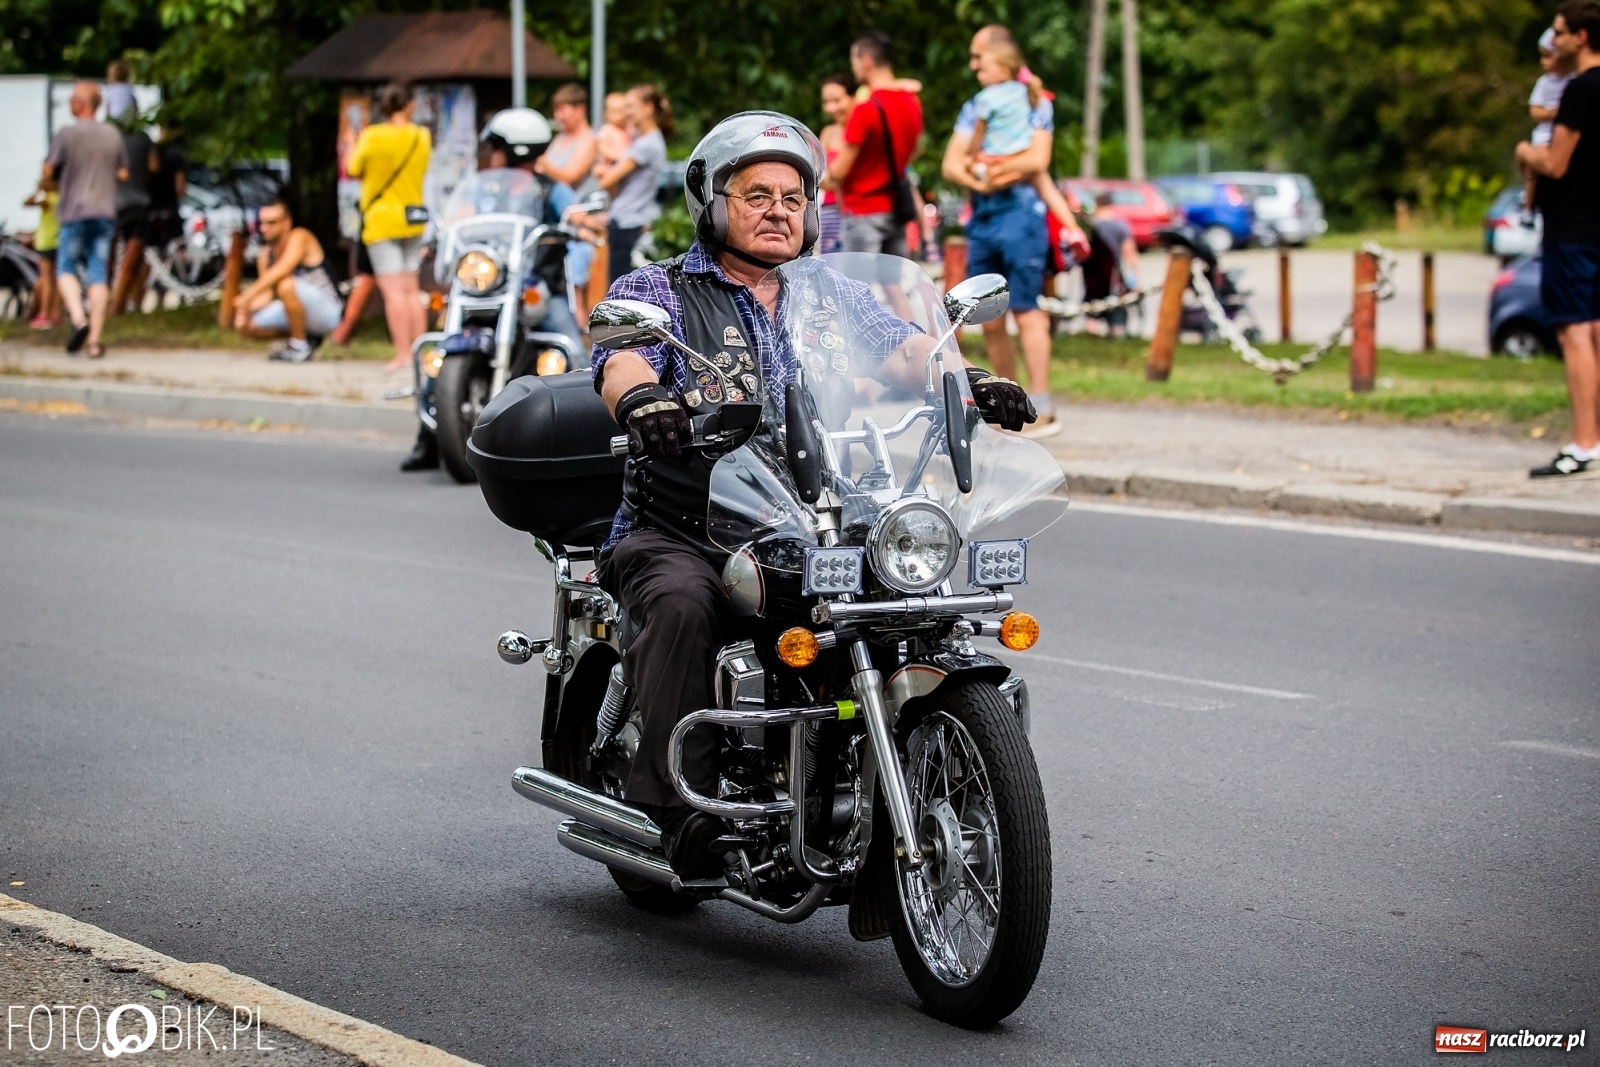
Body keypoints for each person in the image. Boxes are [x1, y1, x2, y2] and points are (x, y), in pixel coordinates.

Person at [591, 110, 1037, 877]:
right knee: (681, 602)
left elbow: (906, 352)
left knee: (908, 600)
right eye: (756, 193)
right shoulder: (657, 286)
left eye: (793, 197)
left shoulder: (828, 294)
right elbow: (623, 358)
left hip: (818, 517)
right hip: (687, 524)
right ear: (712, 202)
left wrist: (969, 383)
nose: (778, 210)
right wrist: (642, 400)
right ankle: (680, 805)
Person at [942, 25, 1082, 438]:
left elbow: (1038, 161)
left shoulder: (1035, 99)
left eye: (978, 57)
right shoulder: (977, 103)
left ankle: (1040, 402)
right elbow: (952, 163)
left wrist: (989, 171)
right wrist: (988, 174)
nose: (973, 66)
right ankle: (1008, 402)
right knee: (988, 313)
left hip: (1021, 215)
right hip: (984, 217)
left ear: (1001, 57)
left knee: (1027, 309)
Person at [1517, 1, 1600, 477]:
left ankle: (1584, 442)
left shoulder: (1580, 92)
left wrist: (1525, 150)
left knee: (1575, 330)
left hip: (1573, 227)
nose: (1555, 42)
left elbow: (1556, 163)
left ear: (1582, 37)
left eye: (1561, 33)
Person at [347, 81, 432, 370]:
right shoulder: (422, 136)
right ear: (409, 104)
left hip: (382, 221)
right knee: (411, 289)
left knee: (393, 293)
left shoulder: (372, 136)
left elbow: (353, 169)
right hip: (412, 219)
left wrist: (350, 143)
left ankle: (403, 354)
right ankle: (420, 352)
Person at [44, 82, 128, 359]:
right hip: (104, 213)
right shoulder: (112, 134)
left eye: (71, 99)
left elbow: (48, 171)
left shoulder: (66, 135)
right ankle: (94, 342)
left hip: (74, 213)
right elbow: (123, 174)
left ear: (80, 105)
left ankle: (79, 319)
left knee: (65, 268)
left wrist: (58, 180)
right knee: (98, 274)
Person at [827, 31, 923, 257]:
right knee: (894, 285)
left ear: (866, 60)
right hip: (895, 209)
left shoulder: (866, 109)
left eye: (854, 61)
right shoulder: (912, 102)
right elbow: (916, 150)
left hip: (863, 211)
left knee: (856, 288)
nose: (854, 69)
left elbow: (840, 170)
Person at [231, 199, 344, 362]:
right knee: (247, 326)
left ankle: (299, 347)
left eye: (271, 223)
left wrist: (248, 295)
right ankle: (303, 339)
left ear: (286, 223)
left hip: (328, 311)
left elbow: (282, 270)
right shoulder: (265, 253)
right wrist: (247, 309)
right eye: (261, 223)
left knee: (285, 284)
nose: (264, 228)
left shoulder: (300, 236)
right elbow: (269, 294)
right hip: (296, 307)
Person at [536, 83, 601, 318]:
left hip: (583, 224)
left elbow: (569, 178)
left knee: (575, 273)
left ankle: (579, 331)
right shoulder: (560, 139)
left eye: (562, 109)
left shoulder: (589, 140)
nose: (557, 116)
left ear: (580, 110)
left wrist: (542, 163)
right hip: (556, 223)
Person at [596, 83, 671, 284]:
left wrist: (603, 170)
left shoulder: (647, 145)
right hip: (625, 221)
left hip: (628, 224)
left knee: (619, 291)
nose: (625, 113)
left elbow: (607, 181)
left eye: (630, 107)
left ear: (648, 108)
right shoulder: (641, 139)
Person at [1524, 27, 1579, 218]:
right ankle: (1528, 208)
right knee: (1535, 169)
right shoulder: (1544, 83)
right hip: (1545, 135)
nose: (1543, 62)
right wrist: (1552, 113)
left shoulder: (1576, 81)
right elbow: (1535, 110)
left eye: (1548, 57)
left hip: (1566, 134)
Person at [109, 108, 158, 316]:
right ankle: (125, 302)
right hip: (139, 204)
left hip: (112, 205)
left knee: (108, 256)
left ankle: (110, 302)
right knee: (135, 256)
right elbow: (154, 167)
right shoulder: (144, 138)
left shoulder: (110, 138)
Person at [1088, 193, 1141, 337]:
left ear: (1096, 205)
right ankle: (1116, 337)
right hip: (1113, 275)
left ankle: (1092, 341)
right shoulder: (1120, 225)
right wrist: (1135, 276)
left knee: (1091, 310)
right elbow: (1129, 252)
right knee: (1116, 310)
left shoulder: (1090, 225)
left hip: (1091, 275)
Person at [816, 73, 855, 254]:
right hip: (830, 214)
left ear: (853, 97)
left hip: (858, 213)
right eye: (826, 102)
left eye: (837, 100)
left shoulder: (864, 130)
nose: (831, 108)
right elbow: (820, 178)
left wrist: (836, 176)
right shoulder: (828, 133)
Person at [24, 177, 60, 329]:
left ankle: (44, 313)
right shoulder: (61, 198)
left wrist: (39, 190)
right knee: (59, 280)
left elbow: (27, 203)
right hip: (58, 242)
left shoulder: (48, 199)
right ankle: (57, 314)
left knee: (45, 280)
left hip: (46, 243)